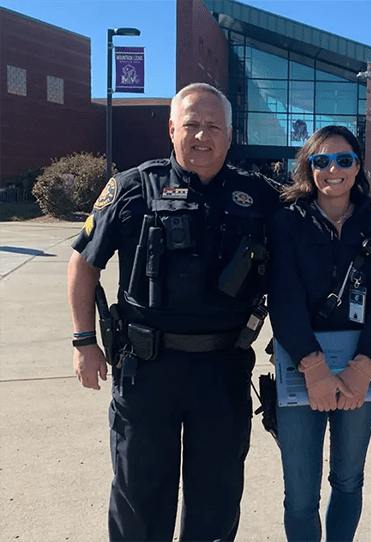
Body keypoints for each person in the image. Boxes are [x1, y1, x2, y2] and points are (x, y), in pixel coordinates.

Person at [67, 82, 283, 542]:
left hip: (223, 371)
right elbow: (83, 263)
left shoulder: (259, 195)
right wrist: (84, 342)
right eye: (191, 125)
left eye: (213, 127)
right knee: (139, 498)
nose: (201, 136)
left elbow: (321, 213)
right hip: (147, 371)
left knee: (217, 498)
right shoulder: (131, 188)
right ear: (171, 129)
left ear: (230, 134)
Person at [268, 126, 371, 542]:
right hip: (301, 365)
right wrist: (315, 367)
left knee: (347, 480)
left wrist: (363, 368)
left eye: (344, 160)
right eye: (321, 160)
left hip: (362, 365)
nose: (333, 170)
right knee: (301, 494)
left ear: (358, 166)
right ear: (309, 166)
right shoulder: (287, 222)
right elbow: (282, 297)